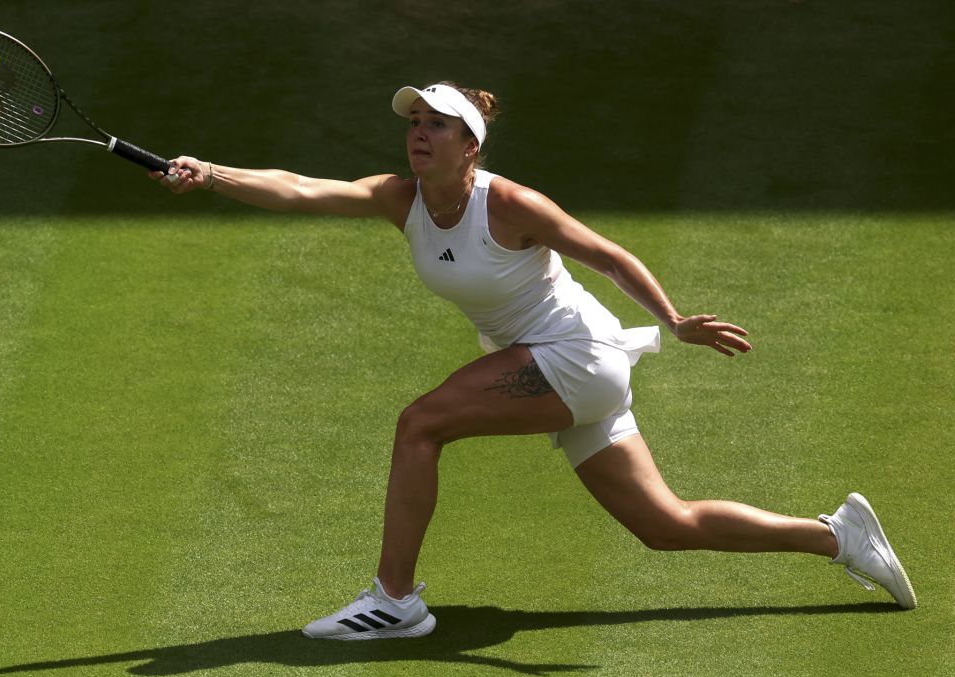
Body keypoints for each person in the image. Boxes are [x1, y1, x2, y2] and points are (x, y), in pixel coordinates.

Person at [149, 82, 916, 640]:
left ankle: (394, 599)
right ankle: (838, 536)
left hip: (573, 355)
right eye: (414, 122)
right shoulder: (399, 196)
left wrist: (675, 321)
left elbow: (606, 255)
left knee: (420, 424)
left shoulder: (511, 204)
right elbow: (302, 189)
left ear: (471, 145)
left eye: (438, 125)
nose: (419, 134)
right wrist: (212, 172)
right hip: (560, 364)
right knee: (664, 524)